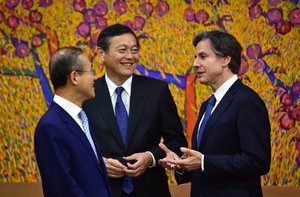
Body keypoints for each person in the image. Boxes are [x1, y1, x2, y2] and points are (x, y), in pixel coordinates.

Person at [159, 30, 271, 197]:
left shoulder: (246, 100)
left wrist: (203, 162)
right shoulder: (207, 105)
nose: (195, 63)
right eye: (195, 57)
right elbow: (206, 157)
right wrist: (182, 164)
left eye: (203, 57)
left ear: (225, 59)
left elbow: (258, 162)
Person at [83, 23, 187, 197]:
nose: (130, 57)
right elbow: (75, 146)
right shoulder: (87, 94)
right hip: (102, 189)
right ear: (101, 54)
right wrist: (98, 163)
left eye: (134, 50)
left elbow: (177, 142)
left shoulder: (157, 91)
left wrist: (150, 157)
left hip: (151, 190)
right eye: (122, 50)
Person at [34, 46, 112, 197]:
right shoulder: (51, 127)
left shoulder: (81, 118)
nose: (95, 78)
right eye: (91, 72)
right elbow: (63, 189)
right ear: (74, 77)